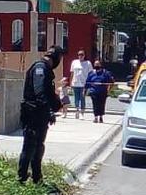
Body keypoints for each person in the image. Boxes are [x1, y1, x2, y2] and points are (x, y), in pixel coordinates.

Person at [19, 46, 64, 184]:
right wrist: (49, 110)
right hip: (33, 114)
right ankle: (21, 177)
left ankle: (37, 177)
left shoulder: (46, 69)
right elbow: (39, 92)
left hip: (40, 114)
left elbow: (48, 93)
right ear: (56, 58)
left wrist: (56, 103)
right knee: (30, 146)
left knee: (39, 146)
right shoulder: (40, 68)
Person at [69, 49, 92, 119]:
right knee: (76, 98)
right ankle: (77, 111)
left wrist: (89, 84)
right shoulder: (74, 62)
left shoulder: (88, 63)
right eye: (79, 54)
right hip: (75, 83)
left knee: (82, 98)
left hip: (83, 84)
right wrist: (70, 83)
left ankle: (82, 113)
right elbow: (72, 73)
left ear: (84, 55)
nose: (80, 56)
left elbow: (90, 74)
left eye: (82, 54)